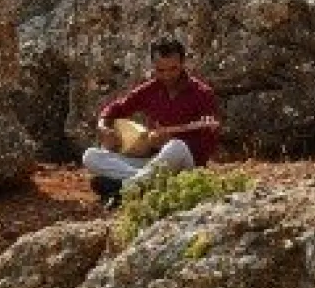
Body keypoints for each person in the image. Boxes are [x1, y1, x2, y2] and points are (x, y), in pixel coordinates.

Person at [81, 37, 221, 207]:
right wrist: (103, 126)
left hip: (184, 165)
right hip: (153, 163)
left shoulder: (202, 93)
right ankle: (146, 184)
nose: (167, 75)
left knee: (176, 147)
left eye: (173, 69)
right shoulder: (150, 89)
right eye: (161, 70)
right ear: (153, 66)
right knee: (91, 156)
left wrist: (170, 141)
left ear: (183, 63)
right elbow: (116, 108)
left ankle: (124, 189)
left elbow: (207, 150)